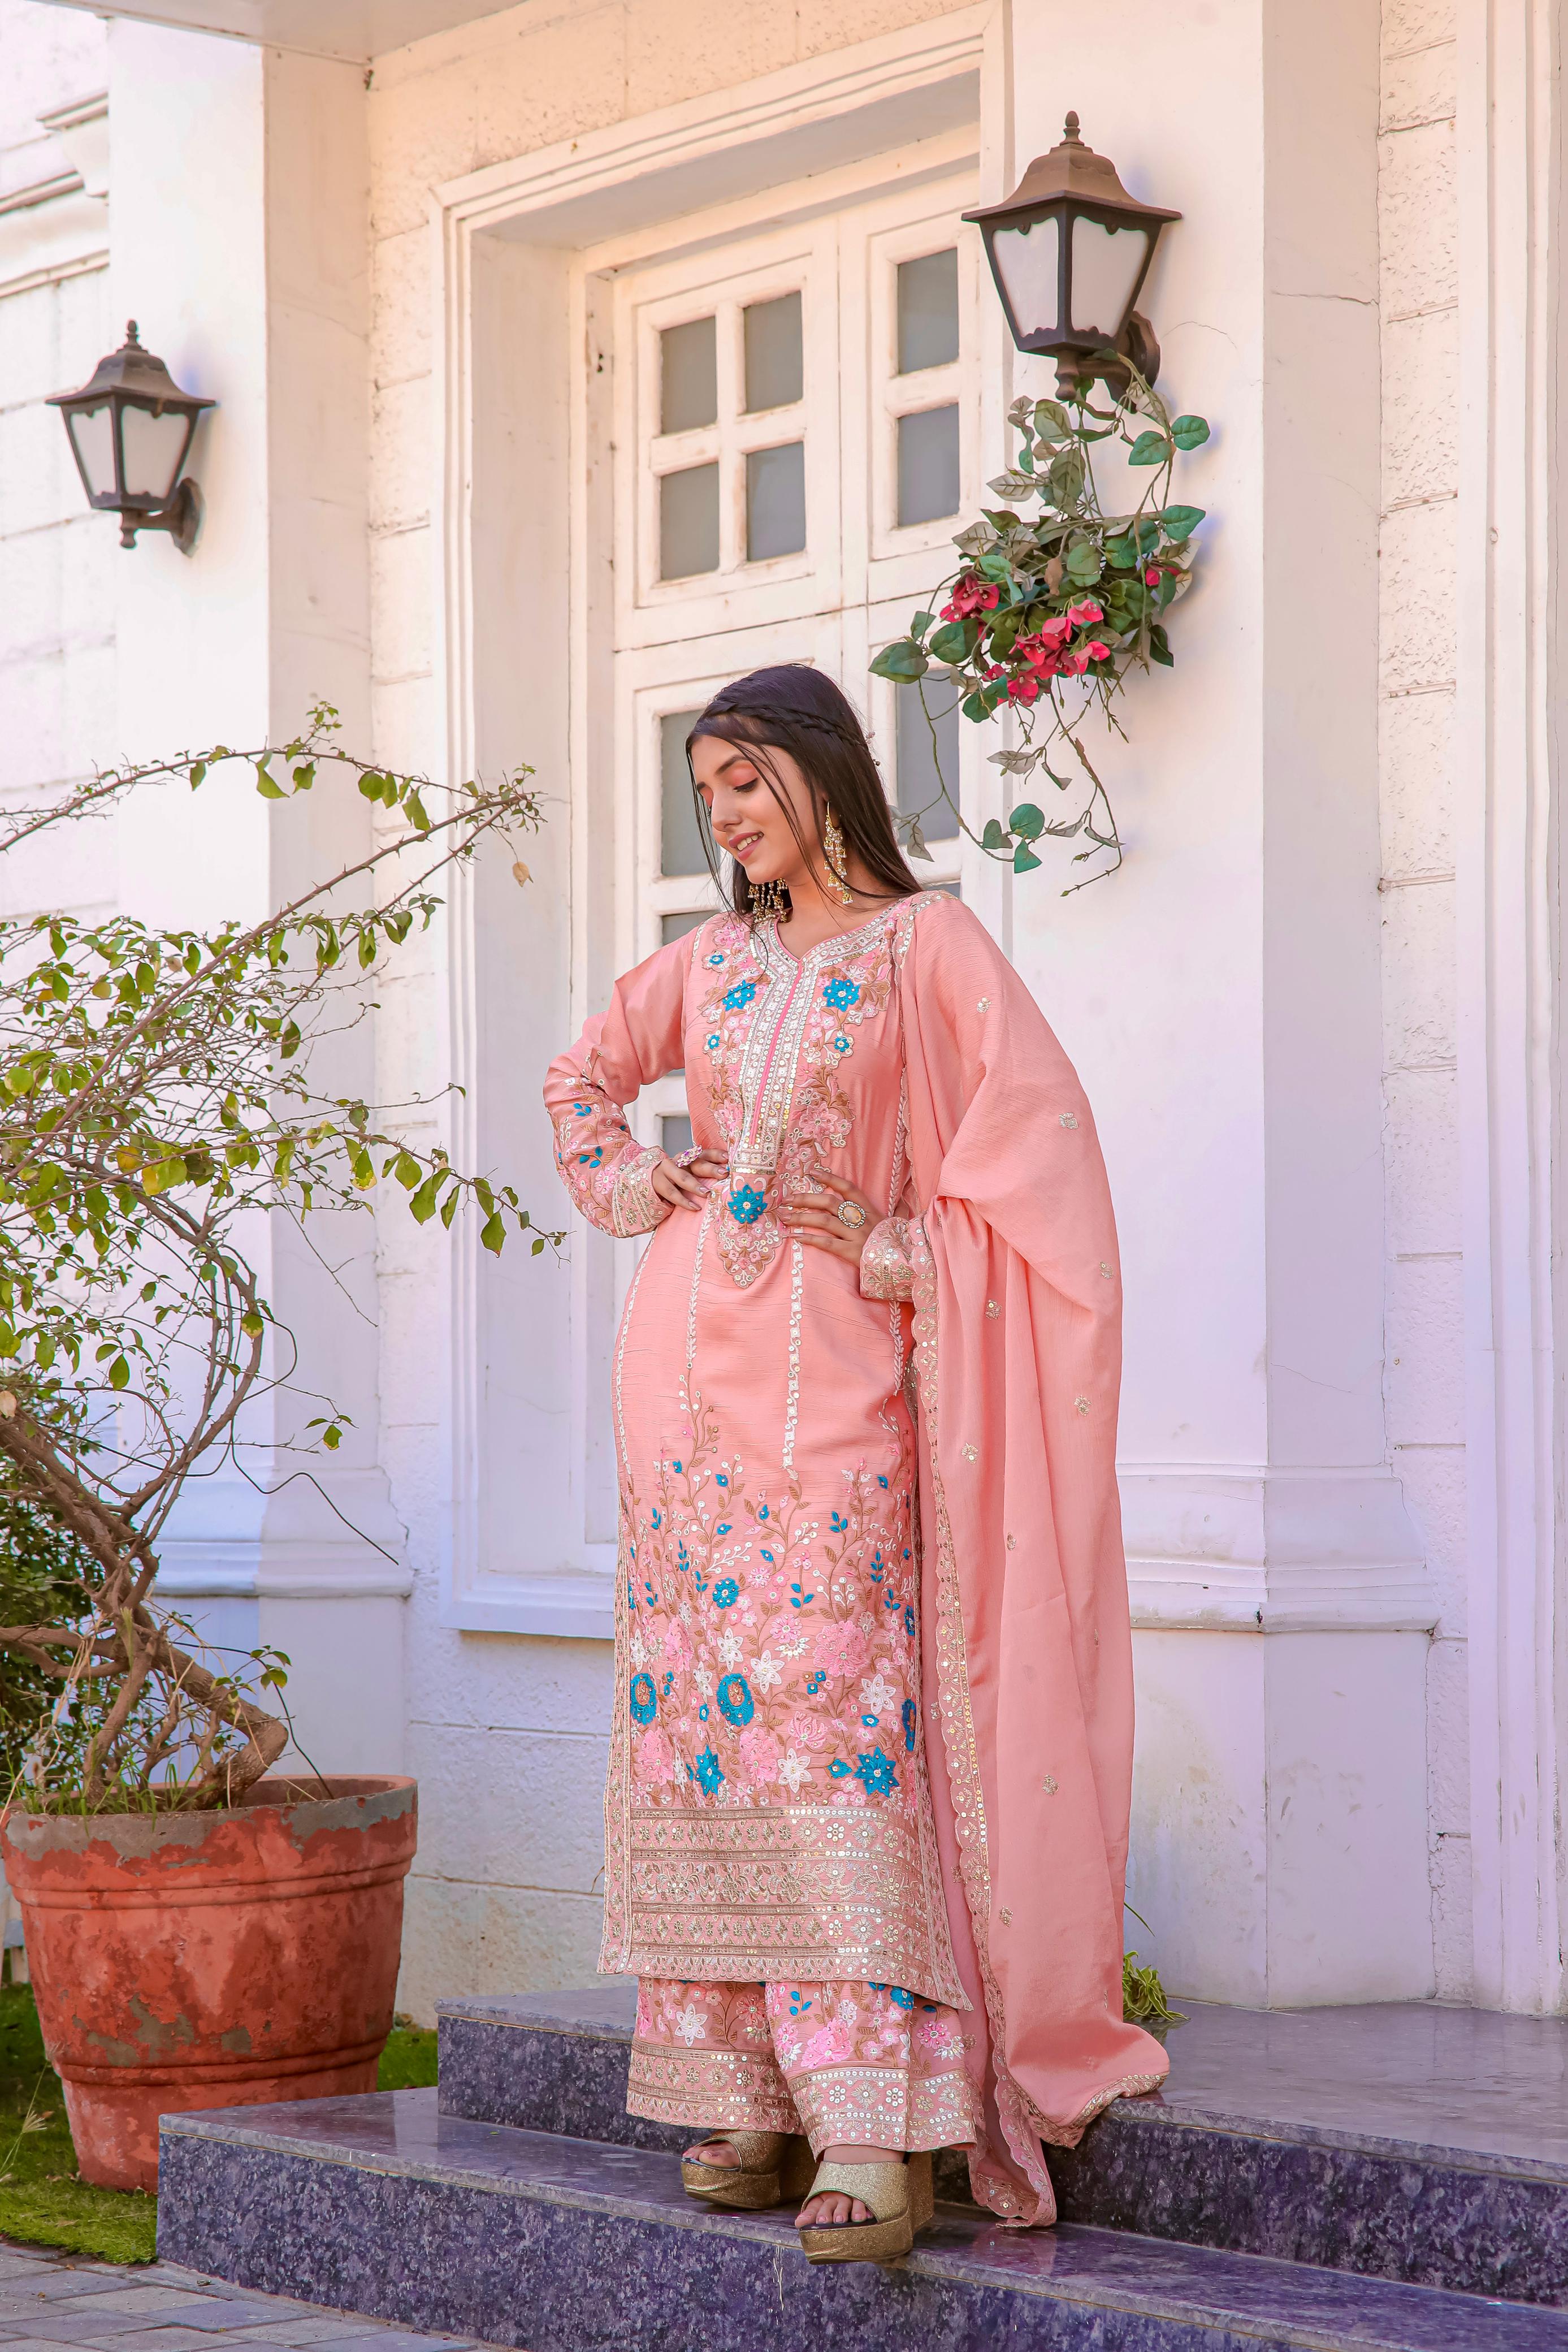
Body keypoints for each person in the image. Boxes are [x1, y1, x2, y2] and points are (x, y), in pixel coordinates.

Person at [543, 665, 1167, 2265]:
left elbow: (1045, 1173)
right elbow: (578, 1082)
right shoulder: (704, 963)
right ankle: (744, 2096)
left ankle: (874, 2124)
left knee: (835, 1728)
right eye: (709, 791)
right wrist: (639, 1183)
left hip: (842, 1408)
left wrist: (898, 1247)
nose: (727, 814)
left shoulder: (928, 948)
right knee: (709, 1739)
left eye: (746, 778)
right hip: (678, 1409)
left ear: (823, 771)